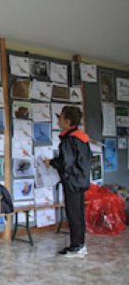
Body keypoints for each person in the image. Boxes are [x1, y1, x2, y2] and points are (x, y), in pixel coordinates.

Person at [45, 106, 91, 258]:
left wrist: (51, 162)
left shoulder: (69, 139)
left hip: (72, 182)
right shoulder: (81, 137)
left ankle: (76, 246)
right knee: (78, 214)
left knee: (73, 215)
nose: (58, 120)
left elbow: (66, 163)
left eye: (60, 117)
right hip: (81, 180)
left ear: (67, 121)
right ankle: (80, 244)